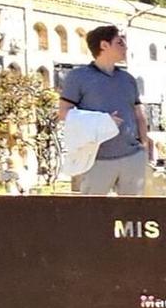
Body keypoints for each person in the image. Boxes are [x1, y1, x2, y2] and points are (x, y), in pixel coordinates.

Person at [58, 25, 150, 195]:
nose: (125, 47)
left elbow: (139, 114)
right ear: (104, 45)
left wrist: (144, 147)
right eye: (120, 42)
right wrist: (101, 121)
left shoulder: (128, 79)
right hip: (96, 159)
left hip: (132, 157)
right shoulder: (78, 77)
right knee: (94, 210)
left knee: (134, 210)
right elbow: (64, 113)